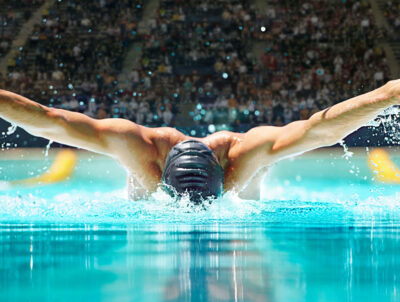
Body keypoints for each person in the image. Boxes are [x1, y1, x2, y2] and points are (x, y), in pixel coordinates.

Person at [0, 80, 399, 201]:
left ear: (225, 177)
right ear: (160, 176)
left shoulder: (247, 152)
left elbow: (320, 129)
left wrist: (387, 95)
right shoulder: (138, 146)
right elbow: (50, 122)